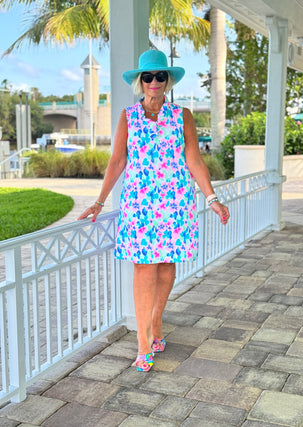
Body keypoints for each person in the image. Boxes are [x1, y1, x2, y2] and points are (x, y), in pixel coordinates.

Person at [78, 49, 230, 372]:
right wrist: (100, 200)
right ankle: (143, 342)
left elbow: (194, 160)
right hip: (140, 205)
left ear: (168, 80)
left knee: (165, 267)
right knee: (144, 269)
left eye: (161, 76)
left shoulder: (182, 116)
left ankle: (157, 319)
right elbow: (117, 161)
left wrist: (212, 197)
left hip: (174, 202)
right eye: (148, 77)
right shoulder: (128, 117)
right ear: (140, 81)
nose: (154, 82)